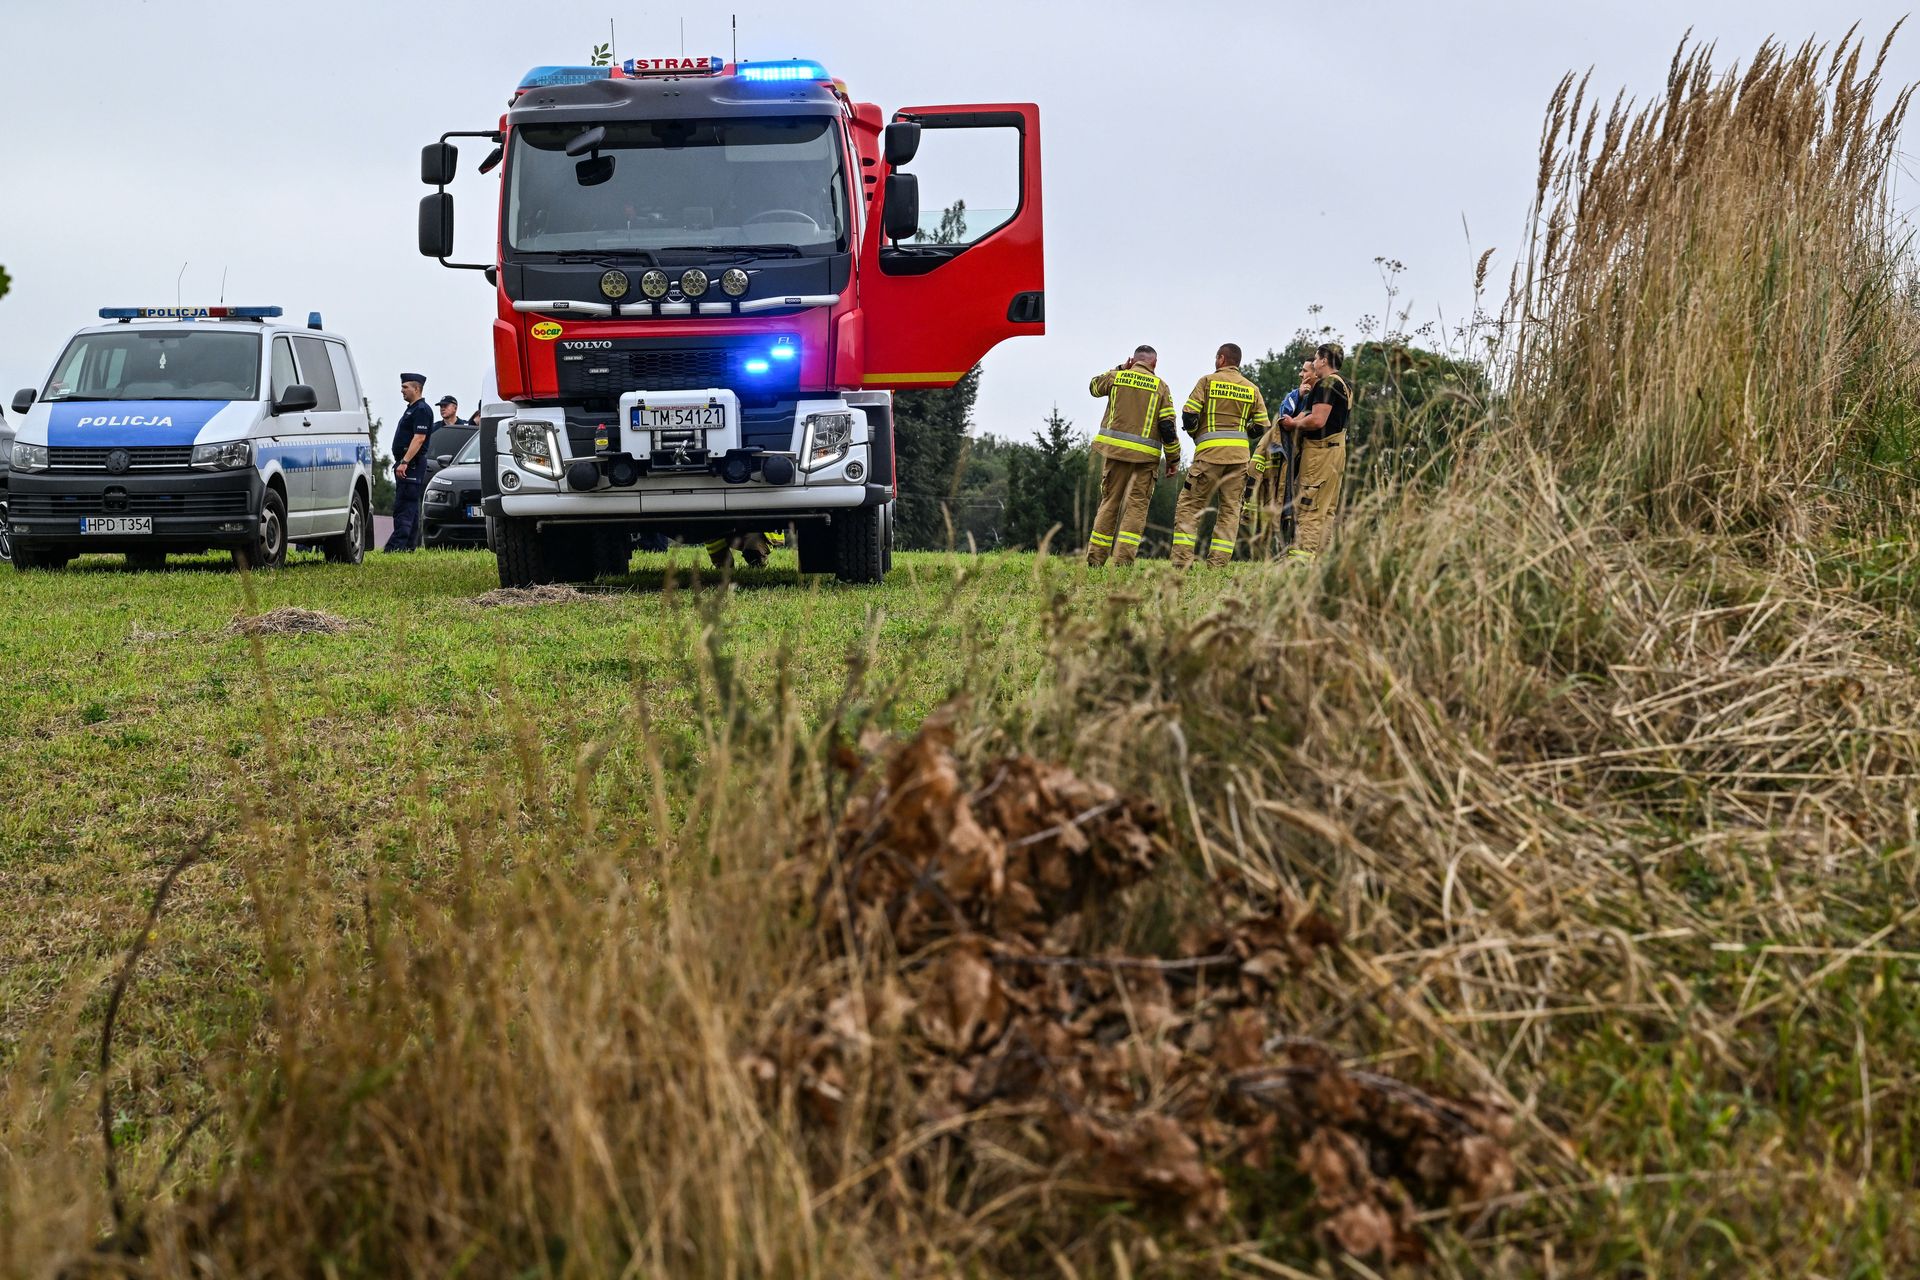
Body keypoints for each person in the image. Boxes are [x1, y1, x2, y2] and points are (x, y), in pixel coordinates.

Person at [1171, 344, 1269, 568]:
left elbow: (1189, 414)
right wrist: (1244, 434)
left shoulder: (1207, 381)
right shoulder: (1252, 388)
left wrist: (1196, 433)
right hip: (1239, 459)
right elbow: (1263, 426)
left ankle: (1182, 563)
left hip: (1209, 456)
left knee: (1190, 507)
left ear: (1221, 358)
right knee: (1230, 511)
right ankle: (1217, 565)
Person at [1085, 345, 1179, 566]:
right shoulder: (1161, 387)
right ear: (1154, 363)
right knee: (1136, 508)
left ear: (1133, 360)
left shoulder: (1117, 378)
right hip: (1145, 460)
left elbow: (1093, 387)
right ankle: (1123, 562)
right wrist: (1173, 459)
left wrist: (1119, 368)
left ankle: (1095, 560)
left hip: (1115, 454)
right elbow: (1167, 427)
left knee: (1109, 503)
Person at [1276, 343, 1352, 560]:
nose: (1314, 364)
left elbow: (1318, 420)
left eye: (1317, 359)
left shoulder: (1326, 384)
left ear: (1324, 360)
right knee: (1326, 511)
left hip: (1320, 454)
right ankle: (1320, 562)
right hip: (1337, 454)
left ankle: (1300, 564)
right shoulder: (1345, 384)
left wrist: (1292, 425)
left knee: (1309, 508)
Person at [1243, 359, 1316, 556]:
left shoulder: (1322, 397)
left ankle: (1300, 553)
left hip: (1312, 459)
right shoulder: (1295, 395)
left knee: (1307, 508)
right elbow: (1284, 418)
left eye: (1305, 371)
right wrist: (1300, 396)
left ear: (1316, 373)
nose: (1301, 375)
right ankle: (1284, 553)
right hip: (1289, 461)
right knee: (1286, 505)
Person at [384, 373, 433, 552]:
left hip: (411, 464)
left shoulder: (421, 409)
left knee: (404, 507)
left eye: (405, 387)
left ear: (416, 388)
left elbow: (419, 438)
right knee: (410, 507)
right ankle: (409, 546)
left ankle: (397, 546)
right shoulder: (412, 408)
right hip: (408, 463)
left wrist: (405, 461)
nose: (402, 390)